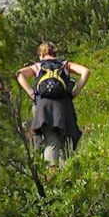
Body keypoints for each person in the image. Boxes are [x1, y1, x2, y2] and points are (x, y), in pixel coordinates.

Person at [16, 42, 90, 170]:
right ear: (55, 53)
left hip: (43, 108)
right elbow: (85, 71)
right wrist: (76, 91)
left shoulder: (38, 66)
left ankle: (51, 173)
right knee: (66, 140)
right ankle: (65, 171)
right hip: (63, 106)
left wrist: (31, 93)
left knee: (51, 141)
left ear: (41, 54)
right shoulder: (65, 64)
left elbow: (19, 74)